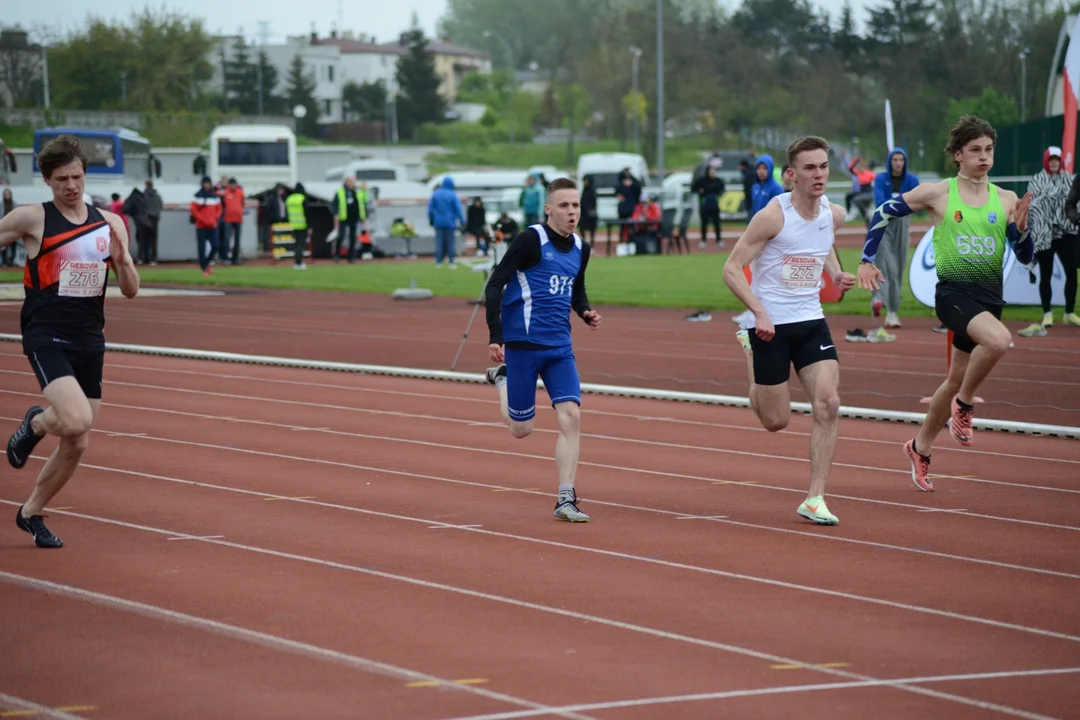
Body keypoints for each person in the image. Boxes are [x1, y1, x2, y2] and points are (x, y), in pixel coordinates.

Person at [858, 115, 1032, 491]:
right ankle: (965, 406)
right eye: (975, 150)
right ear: (958, 155)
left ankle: (919, 447)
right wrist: (867, 259)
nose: (984, 157)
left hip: (990, 297)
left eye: (989, 150)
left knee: (953, 379)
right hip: (953, 295)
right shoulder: (938, 193)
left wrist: (1021, 231)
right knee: (1000, 341)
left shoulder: (1006, 199)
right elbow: (883, 211)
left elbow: (1026, 256)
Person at [0, 135, 140, 548]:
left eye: (76, 177)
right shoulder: (31, 219)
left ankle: (31, 512)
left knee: (78, 438)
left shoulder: (109, 223)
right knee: (77, 419)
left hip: (89, 338)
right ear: (47, 181)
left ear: (85, 175)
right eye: (61, 179)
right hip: (46, 334)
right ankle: (38, 422)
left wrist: (123, 260)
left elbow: (130, 289)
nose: (71, 186)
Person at [722, 136, 856, 526]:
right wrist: (758, 313)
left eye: (824, 166)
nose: (819, 174)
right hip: (769, 326)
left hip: (810, 320)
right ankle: (748, 348)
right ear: (792, 174)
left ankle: (815, 498)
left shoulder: (834, 214)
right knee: (775, 421)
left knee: (828, 404)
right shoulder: (772, 217)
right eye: (810, 168)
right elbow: (731, 269)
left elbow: (823, 243)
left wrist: (835, 273)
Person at [483, 177, 602, 523]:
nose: (571, 212)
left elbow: (576, 290)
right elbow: (495, 283)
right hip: (523, 345)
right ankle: (502, 379)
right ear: (548, 209)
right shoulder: (530, 240)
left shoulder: (582, 247)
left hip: (560, 349)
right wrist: (496, 334)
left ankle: (566, 497)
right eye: (564, 206)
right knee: (522, 429)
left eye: (576, 205)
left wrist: (585, 312)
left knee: (572, 417)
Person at [1022, 146, 1080, 336]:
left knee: (1071, 272)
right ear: (1046, 161)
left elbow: (1074, 202)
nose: (1054, 163)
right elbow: (1032, 205)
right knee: (1045, 274)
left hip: (1065, 234)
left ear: (1061, 161)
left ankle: (1069, 312)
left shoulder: (1069, 179)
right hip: (1043, 234)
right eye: (1051, 159)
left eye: (1057, 159)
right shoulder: (1037, 180)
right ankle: (1047, 314)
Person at [871, 148, 921, 329]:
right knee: (882, 263)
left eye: (901, 160)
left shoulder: (912, 180)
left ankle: (892, 312)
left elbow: (917, 202)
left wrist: (899, 207)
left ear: (905, 162)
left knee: (897, 268)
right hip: (882, 222)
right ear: (890, 162)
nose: (898, 163)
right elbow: (879, 201)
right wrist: (901, 204)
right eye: (895, 160)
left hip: (902, 224)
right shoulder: (881, 179)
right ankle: (878, 298)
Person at [428, 176, 465, 268]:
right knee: (450, 242)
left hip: (438, 222)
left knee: (439, 242)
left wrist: (431, 219)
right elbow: (458, 209)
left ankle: (438, 262)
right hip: (450, 222)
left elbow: (430, 209)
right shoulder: (453, 195)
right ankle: (451, 262)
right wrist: (462, 221)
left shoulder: (436, 194)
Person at [190, 176, 222, 276]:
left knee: (216, 246)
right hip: (201, 226)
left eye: (208, 183)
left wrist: (214, 219)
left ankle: (206, 264)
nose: (206, 185)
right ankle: (204, 268)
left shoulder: (215, 196)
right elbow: (194, 211)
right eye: (205, 183)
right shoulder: (197, 196)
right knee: (201, 249)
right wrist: (203, 219)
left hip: (212, 225)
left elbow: (219, 210)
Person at [332, 176, 364, 263]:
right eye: (349, 181)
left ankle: (351, 257)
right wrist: (336, 214)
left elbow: (361, 205)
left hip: (354, 217)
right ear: (346, 182)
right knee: (341, 236)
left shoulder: (357, 192)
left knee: (353, 237)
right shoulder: (340, 192)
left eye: (352, 181)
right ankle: (337, 255)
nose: (351, 183)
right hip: (343, 217)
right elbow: (334, 204)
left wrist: (362, 217)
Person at [285, 182, 312, 270]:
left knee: (296, 243)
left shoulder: (289, 199)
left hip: (293, 224)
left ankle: (296, 262)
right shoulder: (302, 199)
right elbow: (307, 214)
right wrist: (309, 226)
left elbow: (286, 213)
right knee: (301, 244)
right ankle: (299, 262)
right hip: (302, 224)